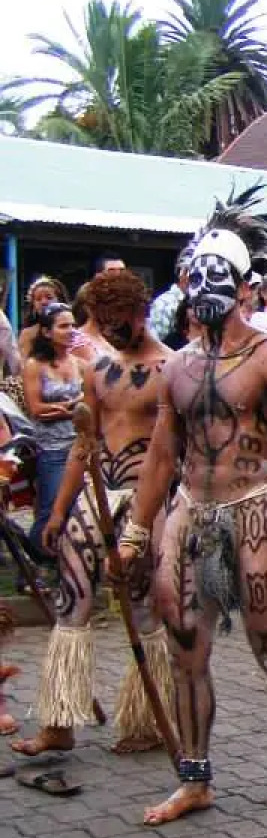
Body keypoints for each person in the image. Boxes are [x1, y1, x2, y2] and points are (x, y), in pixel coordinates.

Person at [112, 186, 267, 825]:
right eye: (195, 273)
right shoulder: (176, 367)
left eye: (218, 275)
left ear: (242, 286)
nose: (204, 284)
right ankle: (196, 777)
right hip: (191, 514)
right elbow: (160, 458)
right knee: (185, 649)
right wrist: (134, 533)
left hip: (254, 508)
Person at [10, 270, 176, 760]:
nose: (110, 329)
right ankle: (59, 723)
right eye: (102, 321)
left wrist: (157, 519)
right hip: (97, 494)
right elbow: (85, 444)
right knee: (71, 603)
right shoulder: (97, 370)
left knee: (146, 610)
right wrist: (59, 510)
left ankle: (147, 718)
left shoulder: (173, 368)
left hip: (149, 498)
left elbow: (173, 452)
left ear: (141, 312)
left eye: (117, 320)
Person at [23, 304, 84, 557]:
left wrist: (65, 409)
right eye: (63, 326)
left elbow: (90, 400)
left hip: (80, 445)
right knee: (50, 508)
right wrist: (72, 408)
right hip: (52, 449)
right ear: (47, 332)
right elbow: (36, 409)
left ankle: (66, 562)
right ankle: (37, 559)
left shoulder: (80, 363)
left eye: (72, 325)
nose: (70, 331)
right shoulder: (35, 366)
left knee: (76, 508)